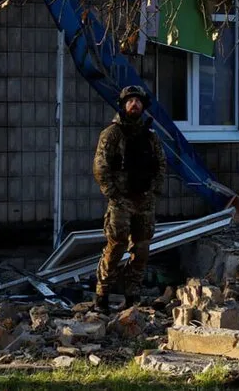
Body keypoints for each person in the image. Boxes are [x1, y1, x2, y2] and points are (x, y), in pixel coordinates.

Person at [92, 84, 166, 312]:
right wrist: (113, 194)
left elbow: (161, 164)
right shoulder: (112, 134)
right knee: (116, 247)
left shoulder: (150, 135)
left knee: (141, 249)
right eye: (130, 101)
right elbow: (100, 166)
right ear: (123, 105)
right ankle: (102, 295)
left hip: (144, 201)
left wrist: (153, 191)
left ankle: (132, 295)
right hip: (121, 201)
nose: (134, 104)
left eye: (138, 101)